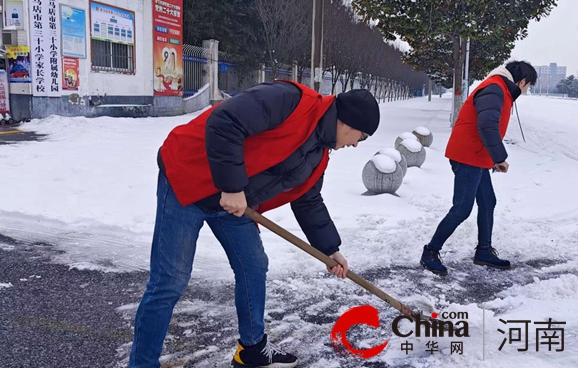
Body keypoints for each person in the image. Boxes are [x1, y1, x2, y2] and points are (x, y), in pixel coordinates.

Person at [129, 80, 380, 368]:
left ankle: (252, 350)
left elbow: (308, 200)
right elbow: (225, 121)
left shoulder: (319, 154)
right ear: (346, 122)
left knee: (253, 265)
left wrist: (329, 249)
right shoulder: (290, 101)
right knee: (170, 280)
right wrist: (232, 186)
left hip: (231, 203)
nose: (354, 144)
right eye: (360, 137)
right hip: (186, 179)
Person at [420, 61, 537, 276]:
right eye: (528, 86)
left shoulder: (499, 88)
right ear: (521, 81)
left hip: (476, 156)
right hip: (467, 156)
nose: (526, 91)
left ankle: (483, 251)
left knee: (487, 201)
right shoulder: (494, 88)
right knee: (462, 208)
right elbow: (487, 125)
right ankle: (430, 252)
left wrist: (491, 158)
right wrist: (499, 157)